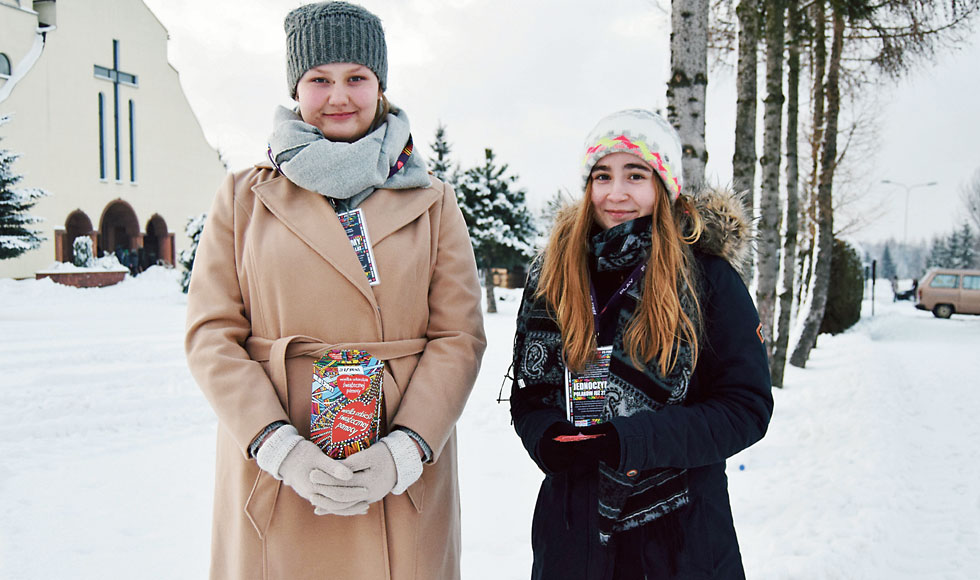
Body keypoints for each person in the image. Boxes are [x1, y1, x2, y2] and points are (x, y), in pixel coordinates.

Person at [184, 3, 486, 579]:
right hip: (279, 469)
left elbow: (458, 338)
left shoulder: (432, 200)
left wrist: (406, 450)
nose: (339, 96)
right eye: (319, 79)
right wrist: (278, 447)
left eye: (356, 78)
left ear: (380, 85)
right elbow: (211, 336)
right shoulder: (244, 197)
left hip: (399, 470)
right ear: (297, 89)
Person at [510, 109, 773, 579]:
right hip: (574, 530)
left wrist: (627, 441)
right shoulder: (553, 274)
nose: (616, 194)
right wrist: (548, 439)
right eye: (602, 176)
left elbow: (745, 408)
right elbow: (530, 397)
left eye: (636, 175)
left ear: (664, 184)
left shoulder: (706, 278)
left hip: (680, 536)